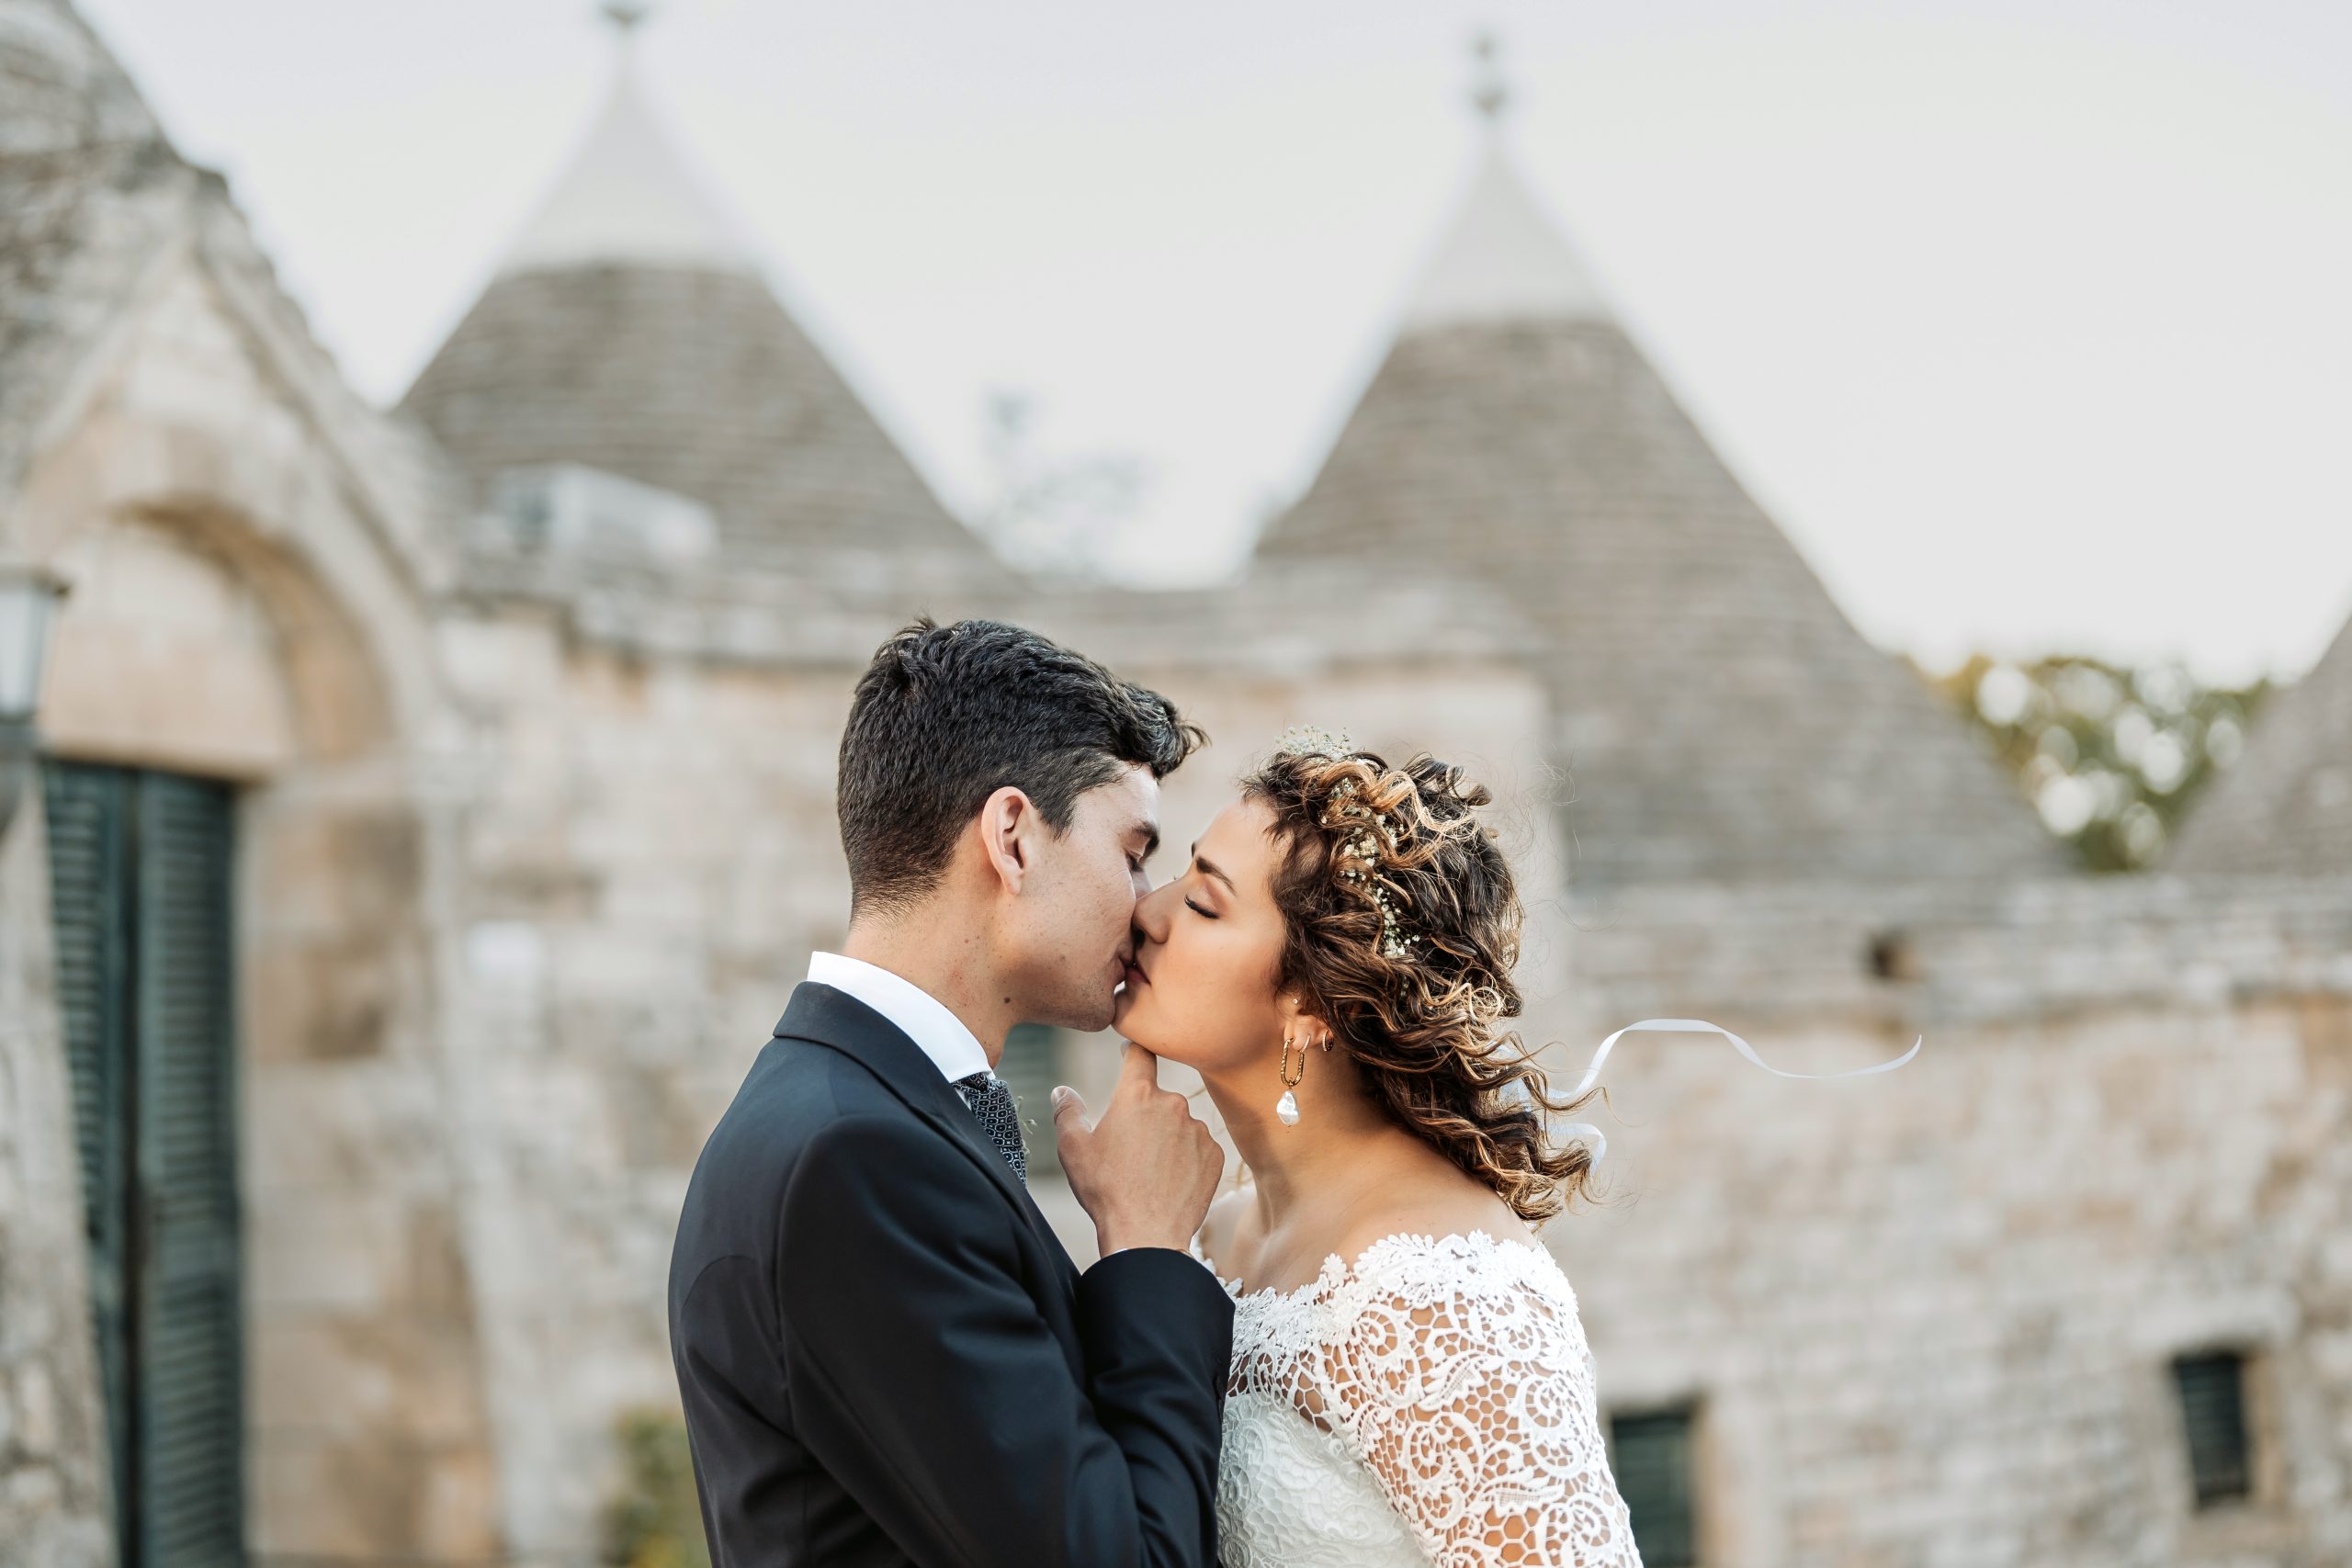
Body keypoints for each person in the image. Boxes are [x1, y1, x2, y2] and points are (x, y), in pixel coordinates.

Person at [668, 617, 1232, 1568]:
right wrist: (1147, 1249)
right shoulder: (858, 1161)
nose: (1146, 902)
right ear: (1012, 837)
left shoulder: (852, 1113)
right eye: (1132, 852)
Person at [1114, 728, 1645, 1567]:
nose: (1147, 910)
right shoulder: (1213, 1237)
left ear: (1311, 1003)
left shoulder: (1441, 1293)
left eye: (1204, 903)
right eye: (1181, 874)